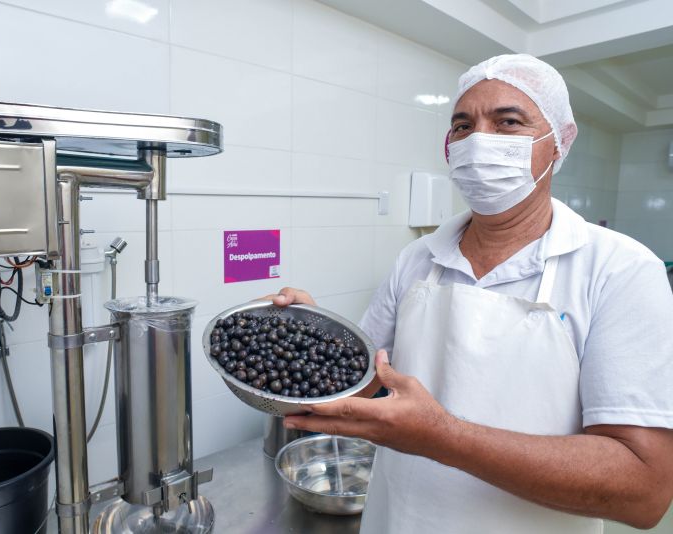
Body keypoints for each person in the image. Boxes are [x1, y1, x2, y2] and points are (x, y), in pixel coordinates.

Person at [266, 54, 673, 533]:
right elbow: (368, 381)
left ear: (560, 143)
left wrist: (442, 437)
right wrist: (320, 338)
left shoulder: (618, 270)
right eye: (463, 126)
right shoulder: (417, 258)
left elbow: (644, 491)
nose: (480, 140)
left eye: (509, 122)